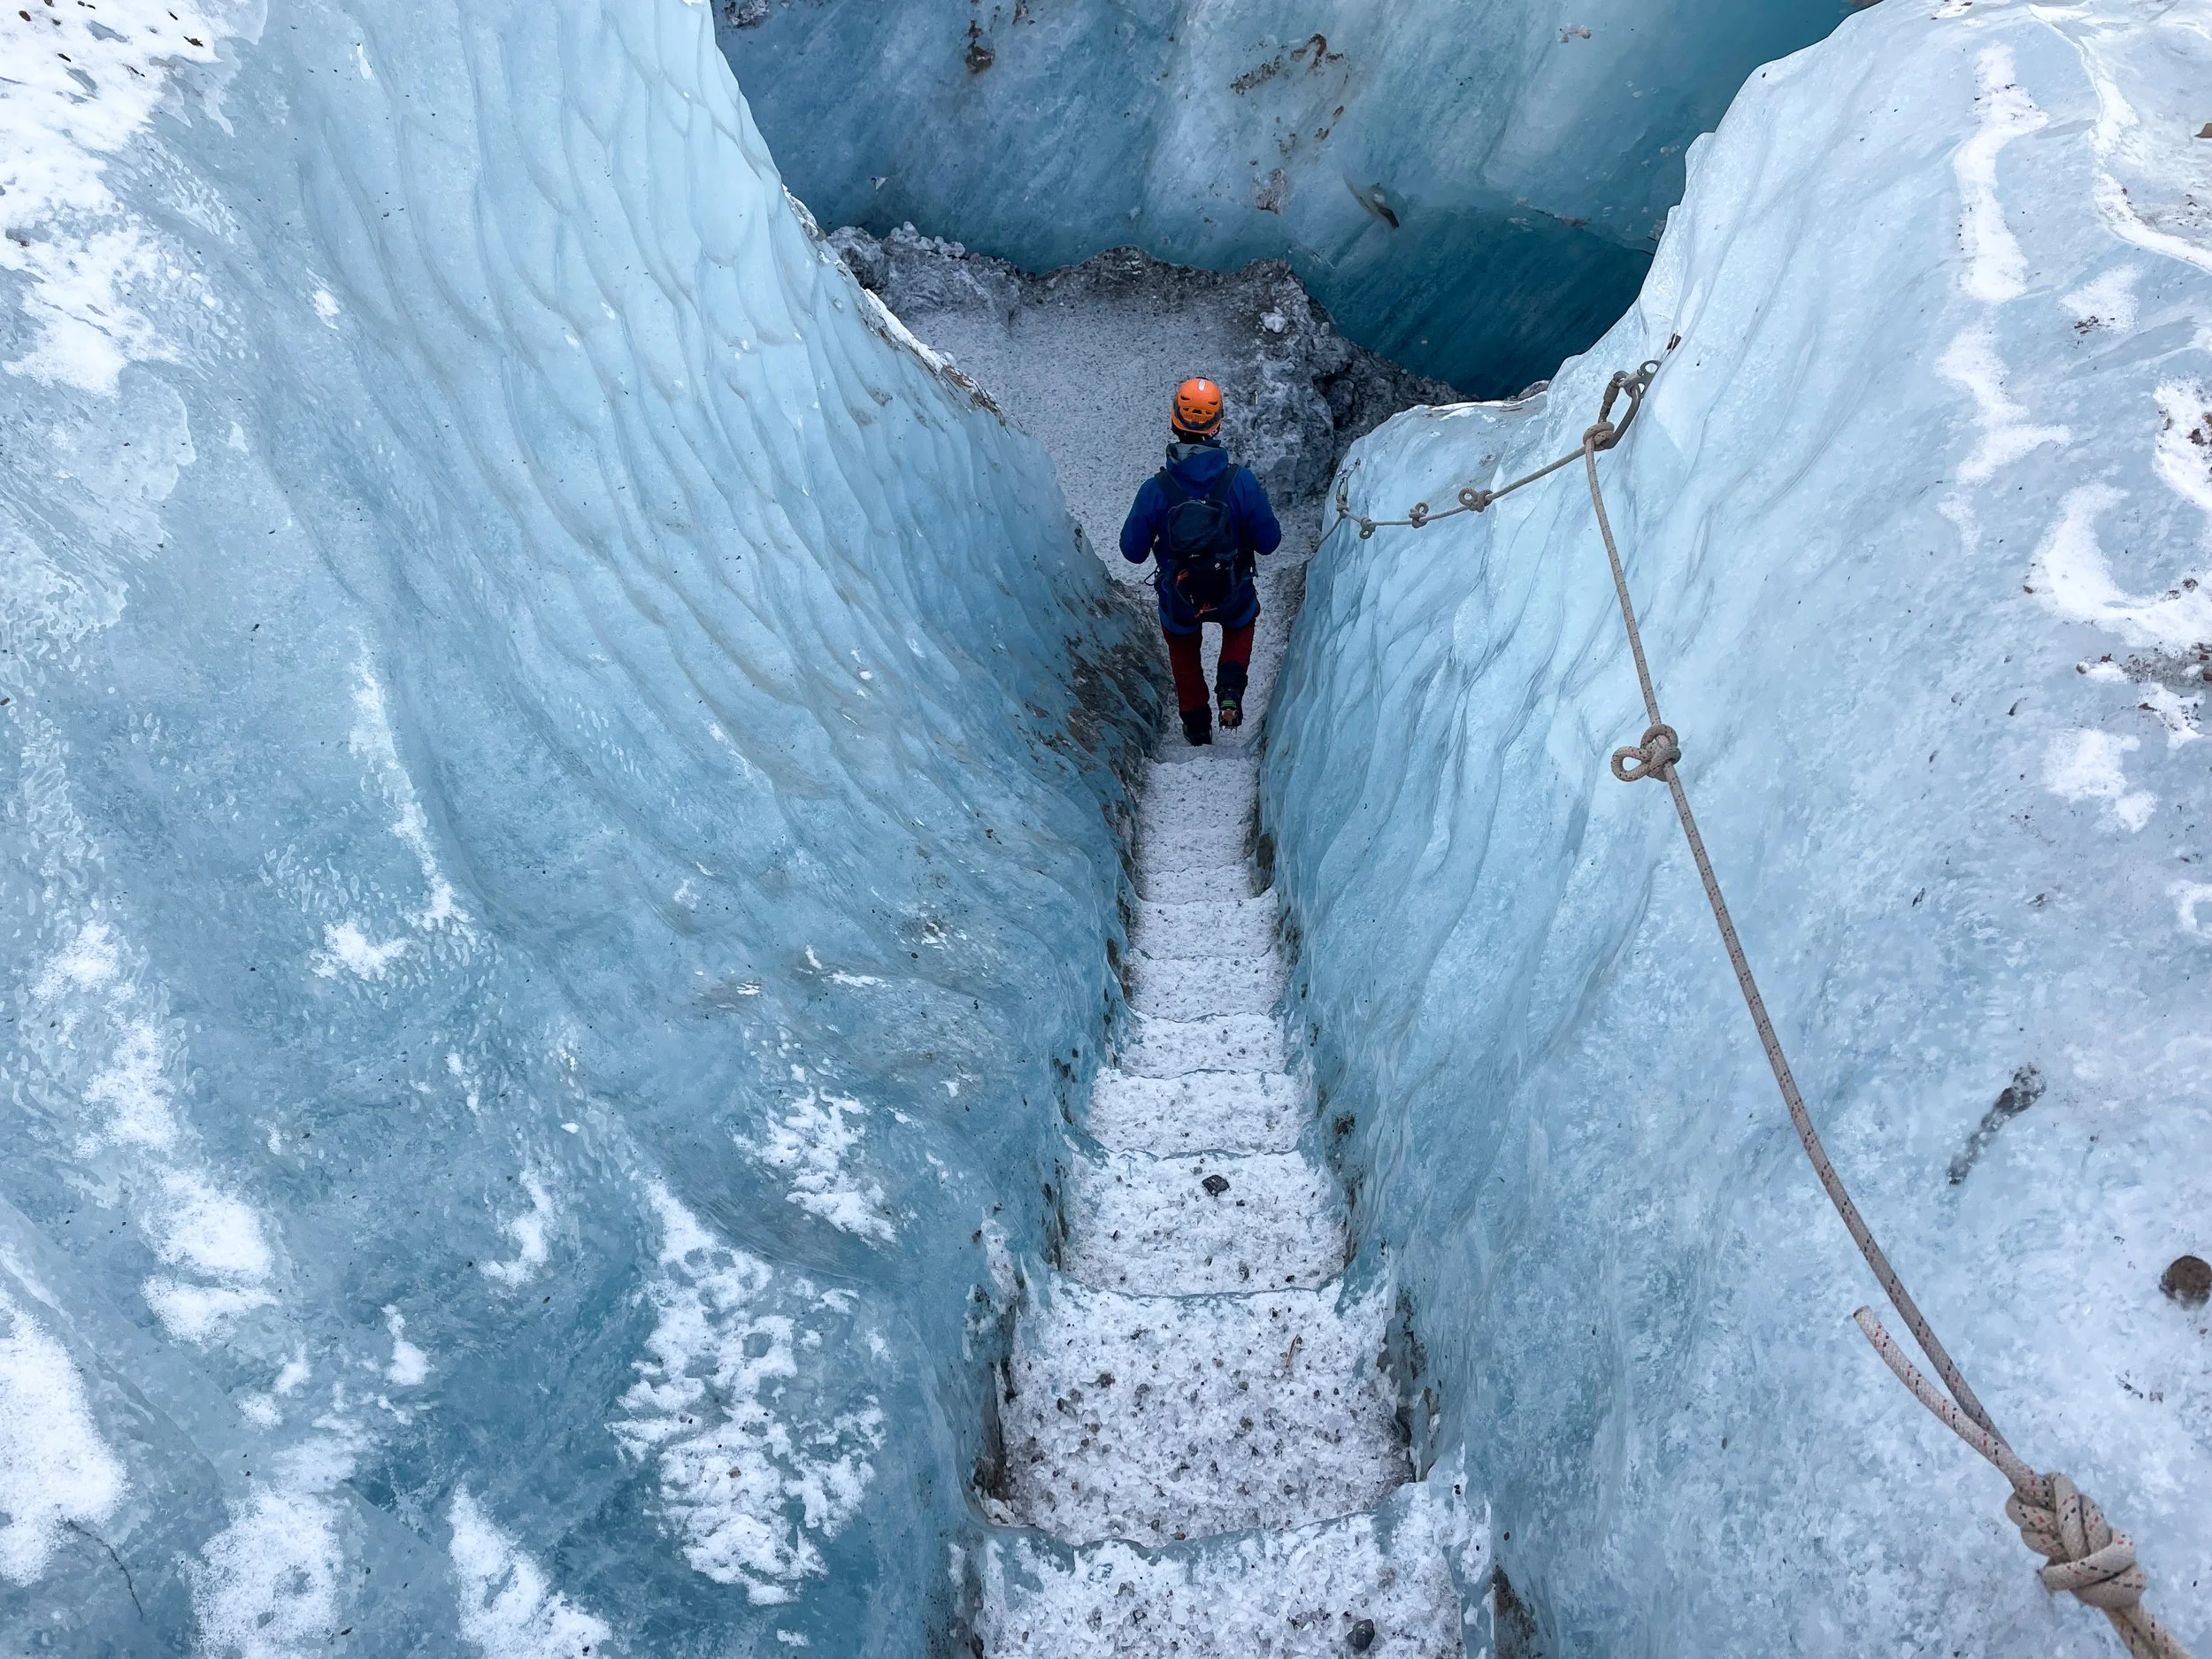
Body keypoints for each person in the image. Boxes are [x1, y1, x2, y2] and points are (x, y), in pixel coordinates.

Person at [1118, 378, 1282, 747]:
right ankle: (1230, 691)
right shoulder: (1241, 482)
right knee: (1241, 622)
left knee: (1182, 643)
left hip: (1180, 595)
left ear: (1174, 421)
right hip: (1231, 589)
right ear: (1218, 425)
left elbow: (1132, 551)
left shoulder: (1156, 489)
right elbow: (1269, 543)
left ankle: (1196, 726)